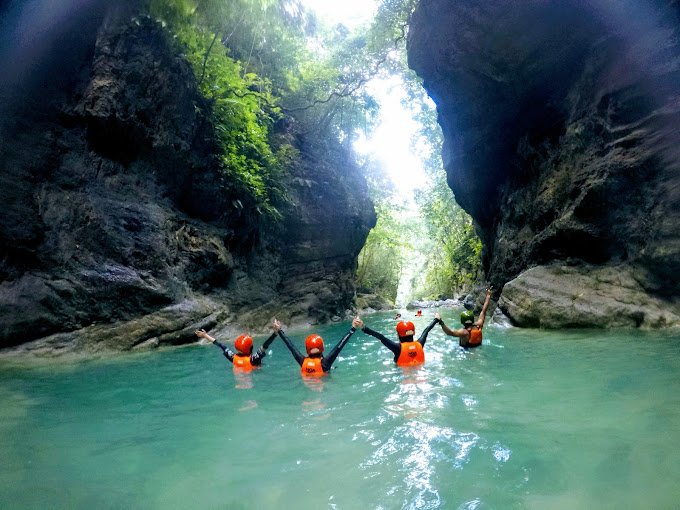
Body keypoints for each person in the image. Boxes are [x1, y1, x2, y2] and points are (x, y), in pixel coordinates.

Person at [272, 318, 358, 377]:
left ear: (307, 349)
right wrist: (353, 328)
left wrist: (279, 330)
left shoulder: (302, 361)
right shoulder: (325, 363)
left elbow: (290, 345)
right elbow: (340, 346)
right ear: (322, 348)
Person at [354, 315, 440, 367]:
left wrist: (363, 327)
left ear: (399, 334)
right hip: (420, 371)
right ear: (413, 333)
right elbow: (426, 330)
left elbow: (381, 337)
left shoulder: (397, 348)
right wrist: (436, 319)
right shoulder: (420, 344)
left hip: (403, 376)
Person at [195, 328, 277, 371]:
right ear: (250, 348)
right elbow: (265, 346)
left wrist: (205, 336)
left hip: (239, 383)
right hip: (252, 380)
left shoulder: (233, 357)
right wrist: (275, 333)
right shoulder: (253, 359)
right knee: (259, 365)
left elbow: (219, 344)